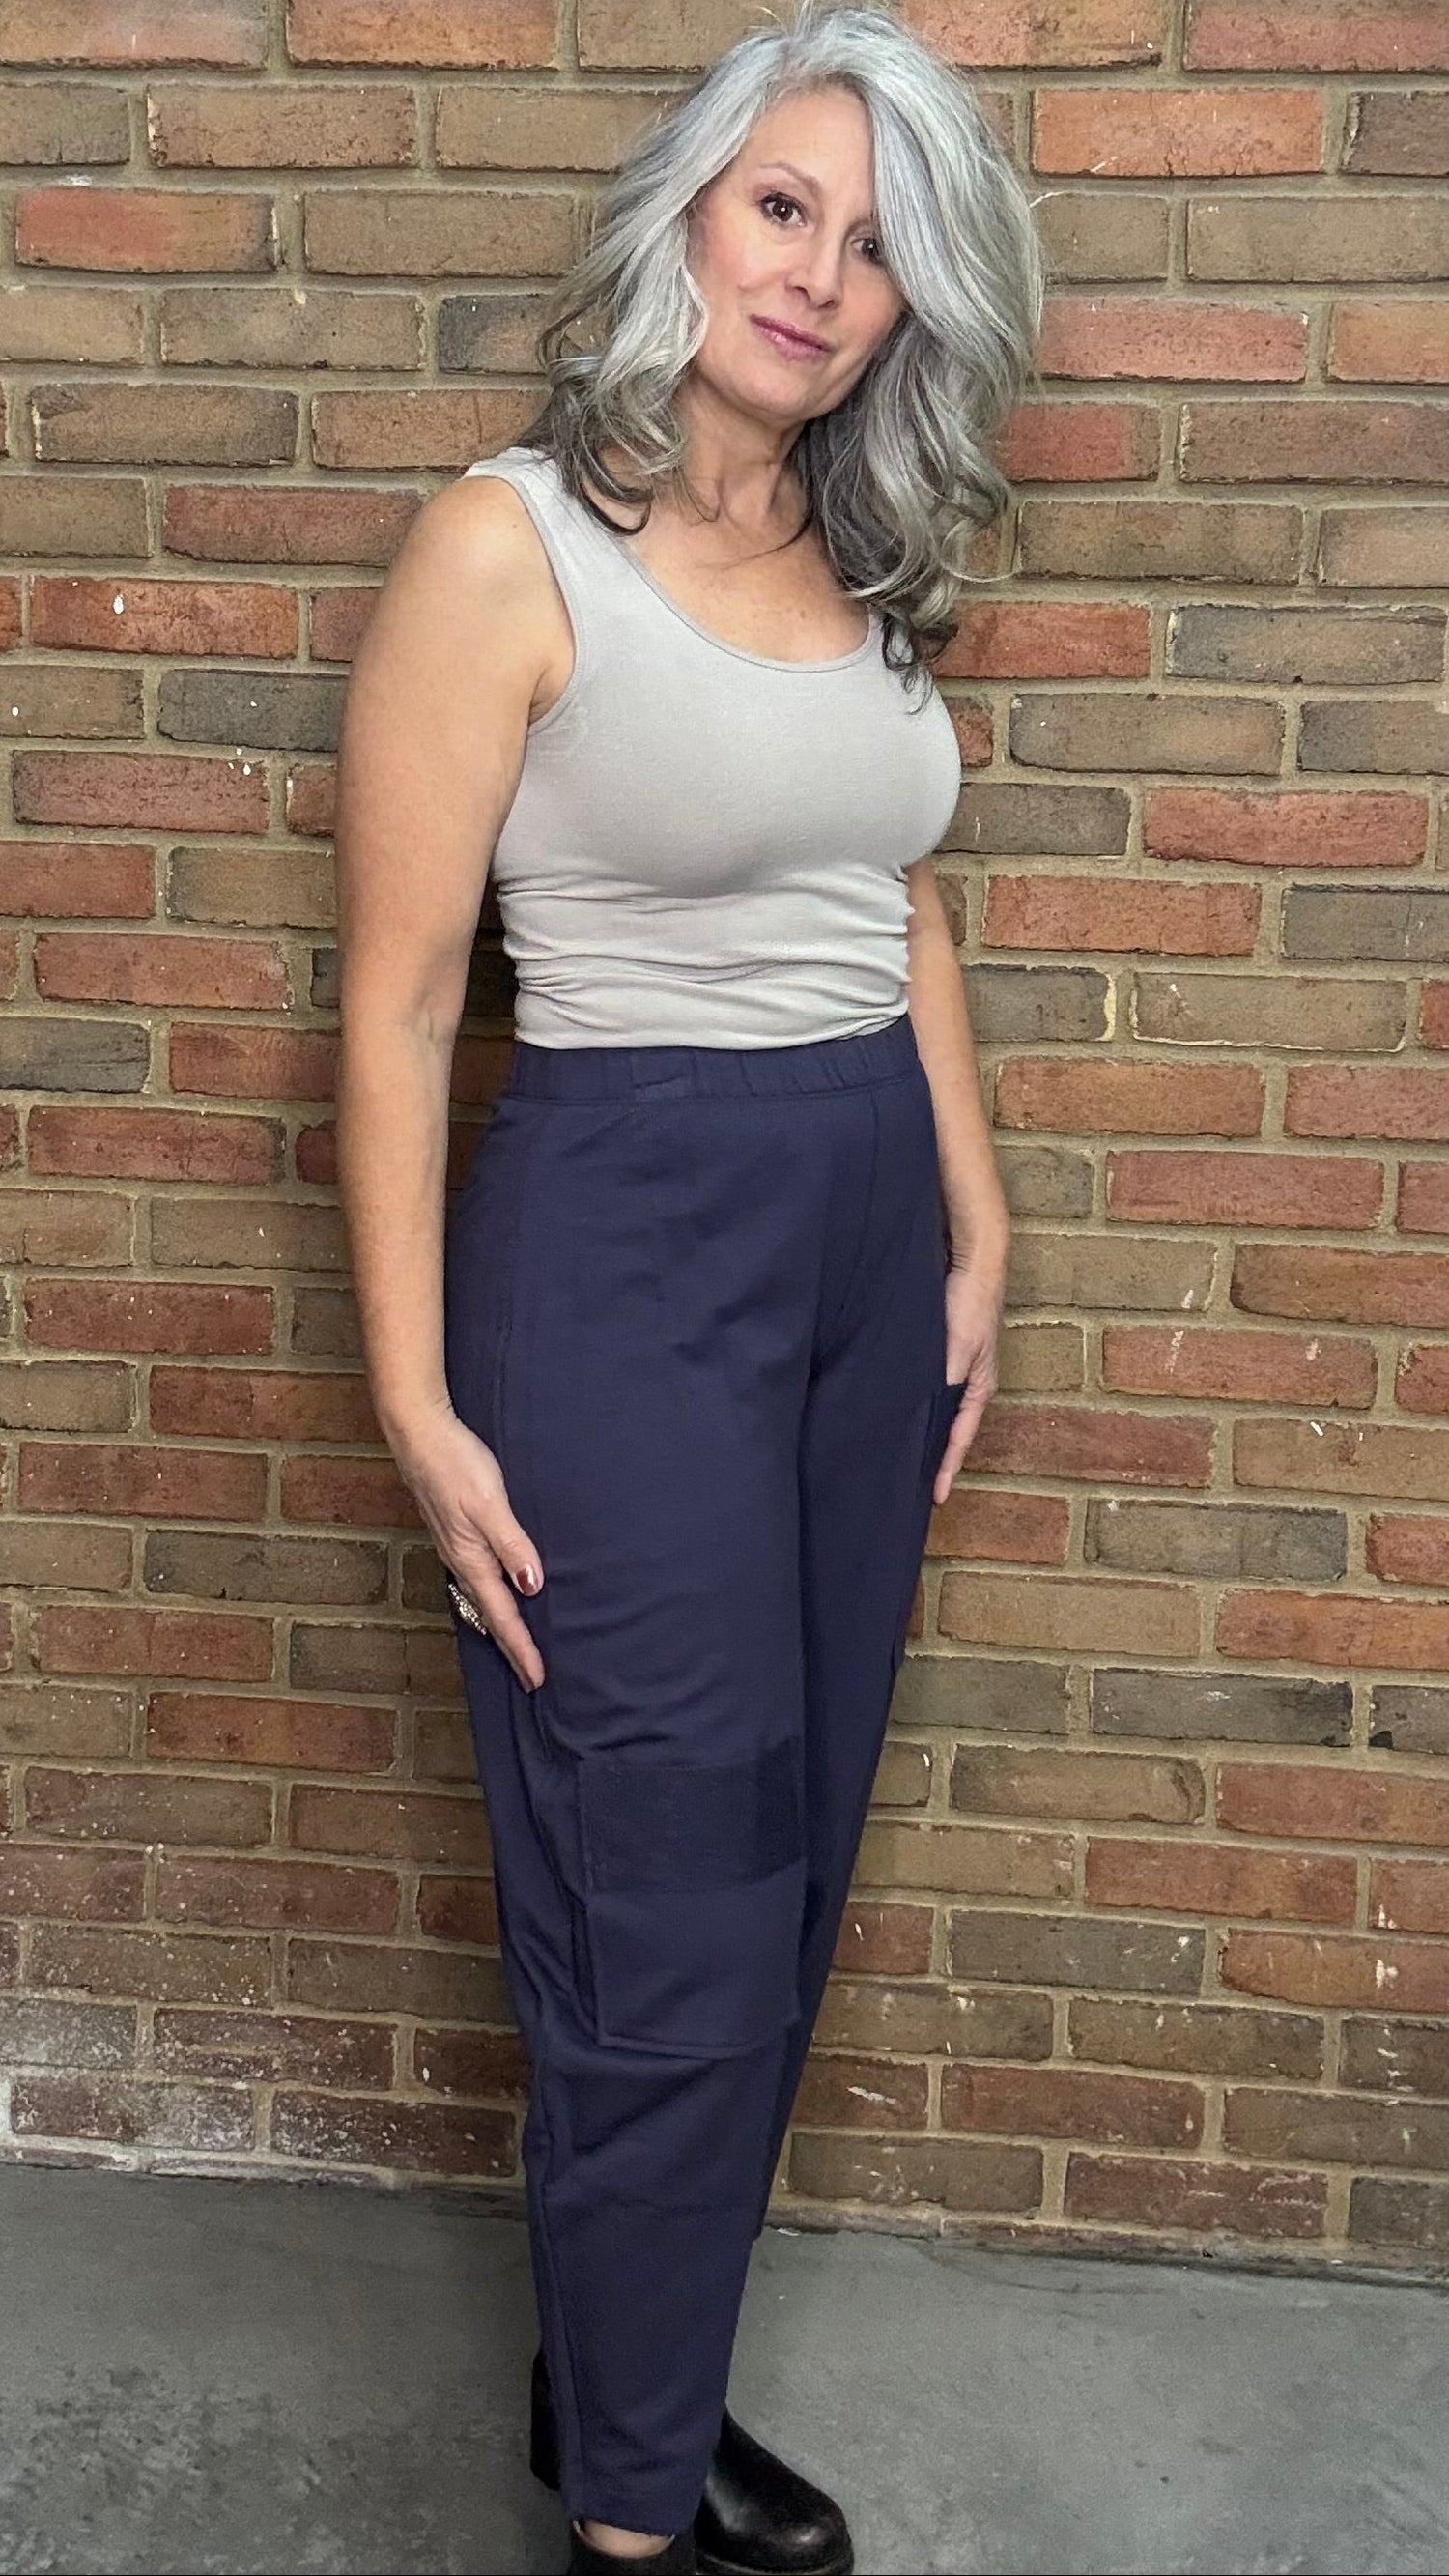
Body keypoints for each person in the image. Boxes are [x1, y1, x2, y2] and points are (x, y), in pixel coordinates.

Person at [334, 3, 1041, 2565]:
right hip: (623, 1253)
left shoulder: (856, 562)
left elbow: (889, 893)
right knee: (672, 1899)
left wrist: (972, 1210)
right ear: (688, 215)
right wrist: (417, 1397)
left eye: (872, 245)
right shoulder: (507, 549)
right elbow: (408, 1004)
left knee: (792, 1864)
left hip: (863, 1254)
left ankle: (615, 2381)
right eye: (783, 207)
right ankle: (630, 2521)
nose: (819, 275)